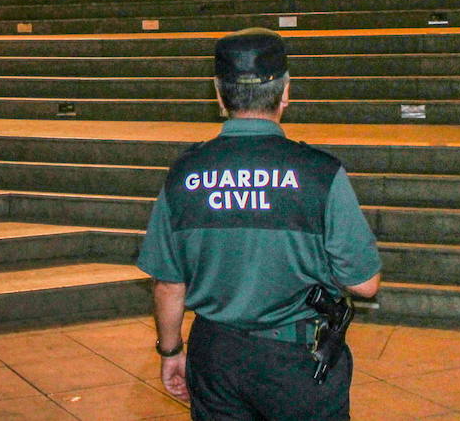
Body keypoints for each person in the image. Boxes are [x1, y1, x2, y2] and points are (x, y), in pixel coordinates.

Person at [137, 28, 381, 420]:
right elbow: (364, 284)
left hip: (216, 356)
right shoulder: (320, 173)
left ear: (218, 94)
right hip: (298, 361)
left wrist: (171, 351)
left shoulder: (185, 174)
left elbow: (168, 284)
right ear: (286, 92)